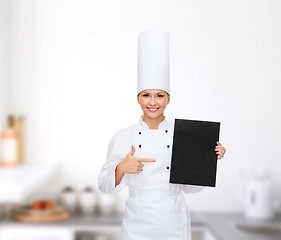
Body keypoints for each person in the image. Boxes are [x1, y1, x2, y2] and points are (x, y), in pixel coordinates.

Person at [97, 31, 226, 240]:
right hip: (137, 225)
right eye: (146, 95)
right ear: (138, 99)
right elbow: (104, 186)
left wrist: (209, 159)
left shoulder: (184, 135)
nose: (153, 102)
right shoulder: (122, 137)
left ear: (168, 99)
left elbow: (189, 187)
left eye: (160, 96)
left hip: (173, 222)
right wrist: (120, 169)